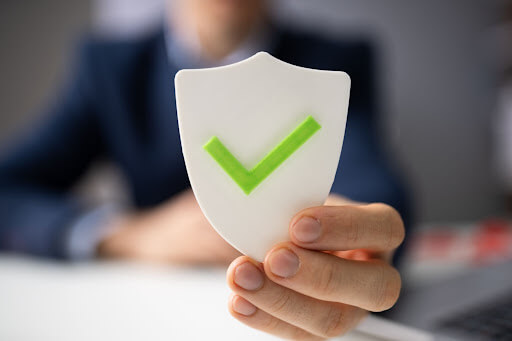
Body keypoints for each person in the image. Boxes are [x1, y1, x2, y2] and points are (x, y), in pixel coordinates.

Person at [0, 0, 409, 339]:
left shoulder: (332, 63)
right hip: (144, 316)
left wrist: (361, 241)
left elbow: (369, 182)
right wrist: (127, 235)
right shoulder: (110, 68)